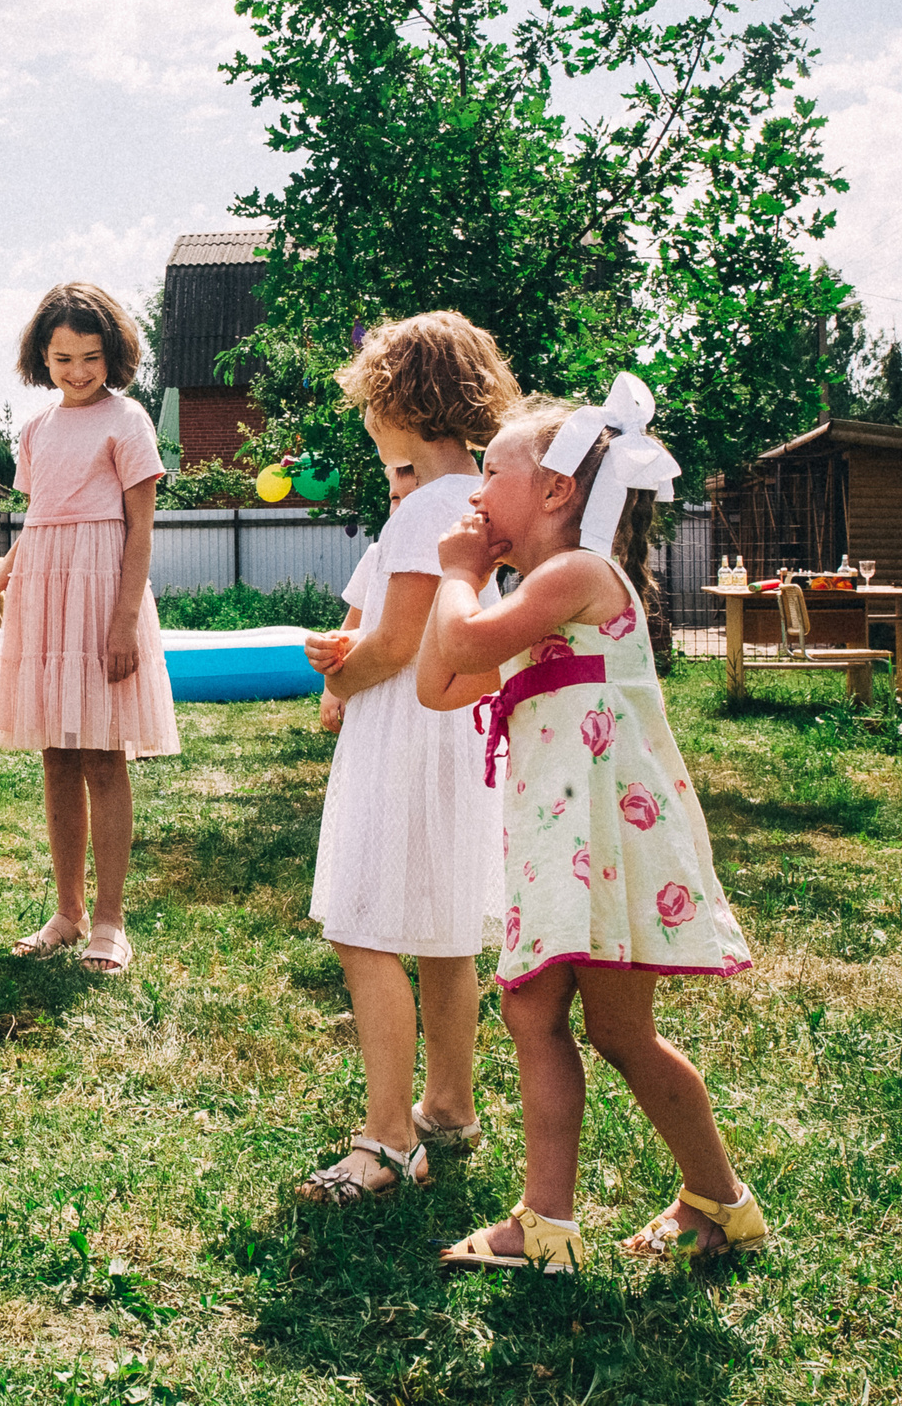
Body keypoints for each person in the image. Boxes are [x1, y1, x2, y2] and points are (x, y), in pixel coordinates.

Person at [417, 374, 761, 1274]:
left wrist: (458, 577)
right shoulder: (533, 595)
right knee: (591, 1023)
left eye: (491, 472)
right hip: (568, 843)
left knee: (561, 1015)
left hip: (596, 842)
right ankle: (712, 1201)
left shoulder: (575, 575)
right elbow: (437, 682)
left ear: (555, 491)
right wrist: (471, 584)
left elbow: (461, 643)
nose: (476, 492)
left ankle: (552, 1224)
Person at [292, 313, 517, 1203]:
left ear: (400, 404)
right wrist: (354, 653)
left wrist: (340, 670)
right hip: (455, 736)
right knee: (442, 924)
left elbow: (401, 639)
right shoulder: (473, 498)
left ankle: (388, 1139)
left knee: (365, 922)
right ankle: (449, 1105)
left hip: (408, 734)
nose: (366, 421)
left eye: (370, 403)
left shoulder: (424, 507)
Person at [0, 282, 176, 976]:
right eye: (64, 357)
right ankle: (67, 913)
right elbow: (37, 524)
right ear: (42, 356)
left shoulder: (127, 420)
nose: (78, 371)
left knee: (103, 756)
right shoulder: (37, 429)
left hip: (103, 594)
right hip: (45, 595)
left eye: (92, 357)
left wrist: (124, 621)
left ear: (114, 354)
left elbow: (141, 531)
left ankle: (110, 920)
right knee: (56, 756)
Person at [319, 463, 417, 737]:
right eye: (395, 497)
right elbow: (351, 625)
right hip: (374, 689)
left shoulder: (447, 558)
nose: (401, 507)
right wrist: (332, 689)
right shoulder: (376, 556)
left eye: (413, 498)